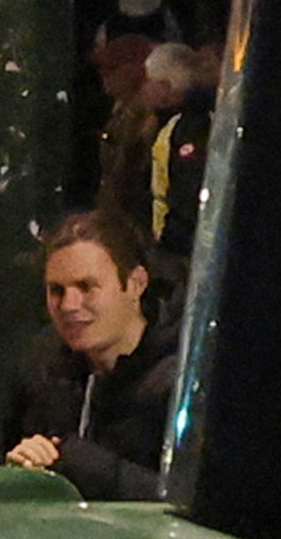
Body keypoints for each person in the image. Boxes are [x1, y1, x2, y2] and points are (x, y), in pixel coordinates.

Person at [20, 206, 173, 495]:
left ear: (136, 284)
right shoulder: (45, 369)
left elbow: (190, 501)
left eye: (86, 286)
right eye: (56, 290)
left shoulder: (180, 380)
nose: (68, 305)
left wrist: (80, 464)